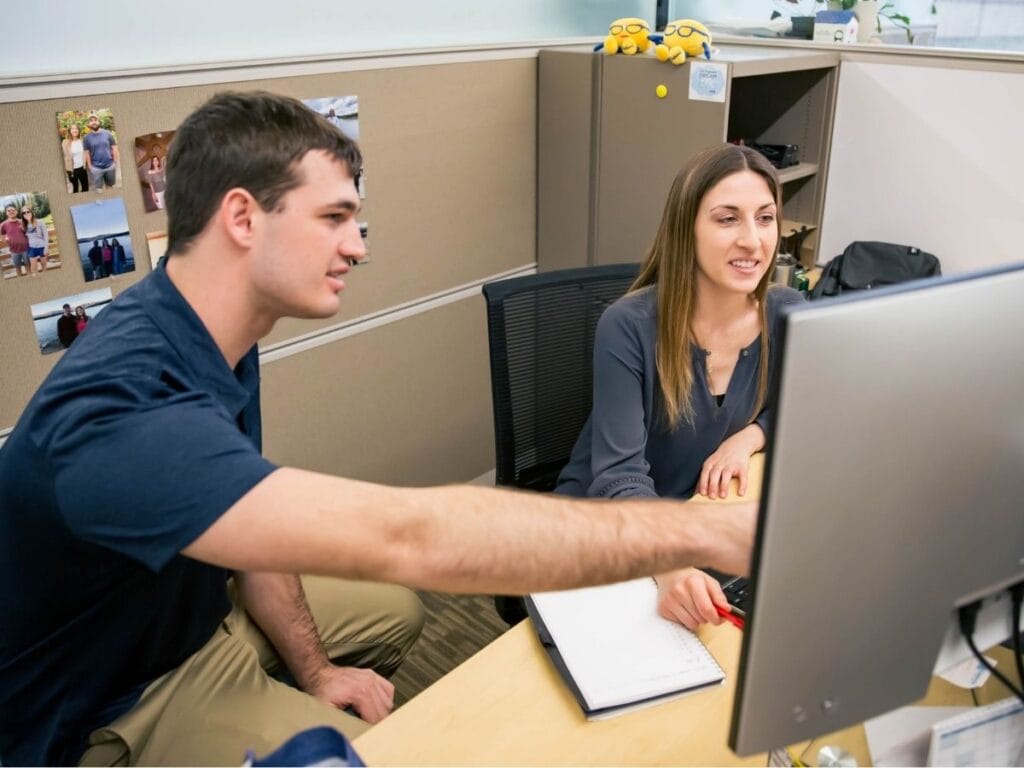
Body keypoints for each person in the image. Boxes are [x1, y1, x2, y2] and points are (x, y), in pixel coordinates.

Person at [0, 91, 755, 767]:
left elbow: (253, 518)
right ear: (240, 217)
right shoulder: (121, 406)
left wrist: (321, 672)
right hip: (112, 701)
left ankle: (303, 698)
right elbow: (409, 537)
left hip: (191, 610)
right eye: (334, 218)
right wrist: (702, 536)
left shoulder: (212, 329)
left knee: (394, 610)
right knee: (390, 753)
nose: (358, 245)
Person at [555, 144, 803, 632]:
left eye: (766, 217)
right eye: (727, 219)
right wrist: (670, 566)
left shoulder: (786, 310)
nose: (753, 241)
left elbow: (815, 407)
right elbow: (618, 479)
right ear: (686, 229)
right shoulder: (628, 326)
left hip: (697, 519)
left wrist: (751, 435)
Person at [83, 111, 119, 190]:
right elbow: (87, 153)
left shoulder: (108, 134)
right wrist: (90, 167)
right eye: (91, 121)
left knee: (110, 187)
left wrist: (115, 162)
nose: (93, 122)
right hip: (96, 168)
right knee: (98, 189)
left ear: (99, 121)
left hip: (110, 166)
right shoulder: (86, 138)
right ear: (89, 124)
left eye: (95, 120)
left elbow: (114, 148)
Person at [1, 204, 29, 277]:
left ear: (16, 212)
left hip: (26, 249)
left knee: (28, 265)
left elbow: (28, 234)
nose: (11, 212)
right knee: (17, 267)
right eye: (9, 210)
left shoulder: (22, 221)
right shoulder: (3, 225)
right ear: (6, 213)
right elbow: (2, 237)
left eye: (13, 210)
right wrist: (8, 243)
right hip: (14, 251)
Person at [62, 121, 90, 193]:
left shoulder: (82, 141)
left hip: (82, 168)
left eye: (76, 129)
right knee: (75, 189)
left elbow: (86, 153)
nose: (75, 130)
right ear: (70, 131)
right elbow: (64, 156)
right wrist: (67, 168)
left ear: (78, 130)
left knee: (85, 188)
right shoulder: (65, 142)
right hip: (72, 170)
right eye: (72, 129)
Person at [21, 206, 49, 275]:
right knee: (33, 269)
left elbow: (46, 235)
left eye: (28, 211)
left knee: (44, 268)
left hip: (42, 247)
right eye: (24, 213)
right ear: (23, 216)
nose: (26, 213)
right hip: (32, 248)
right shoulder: (24, 225)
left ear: (31, 212)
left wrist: (46, 248)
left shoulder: (40, 222)